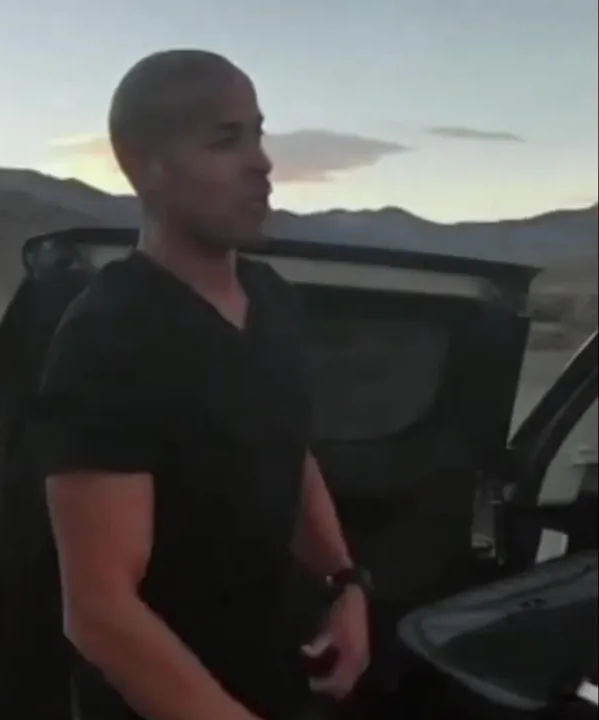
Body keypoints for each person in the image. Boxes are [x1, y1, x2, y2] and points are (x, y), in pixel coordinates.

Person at [32, 49, 371, 720]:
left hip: (278, 671)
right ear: (148, 168)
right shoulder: (112, 333)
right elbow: (99, 610)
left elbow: (289, 454)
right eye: (225, 141)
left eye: (257, 134)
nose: (261, 163)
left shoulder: (271, 299)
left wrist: (344, 584)